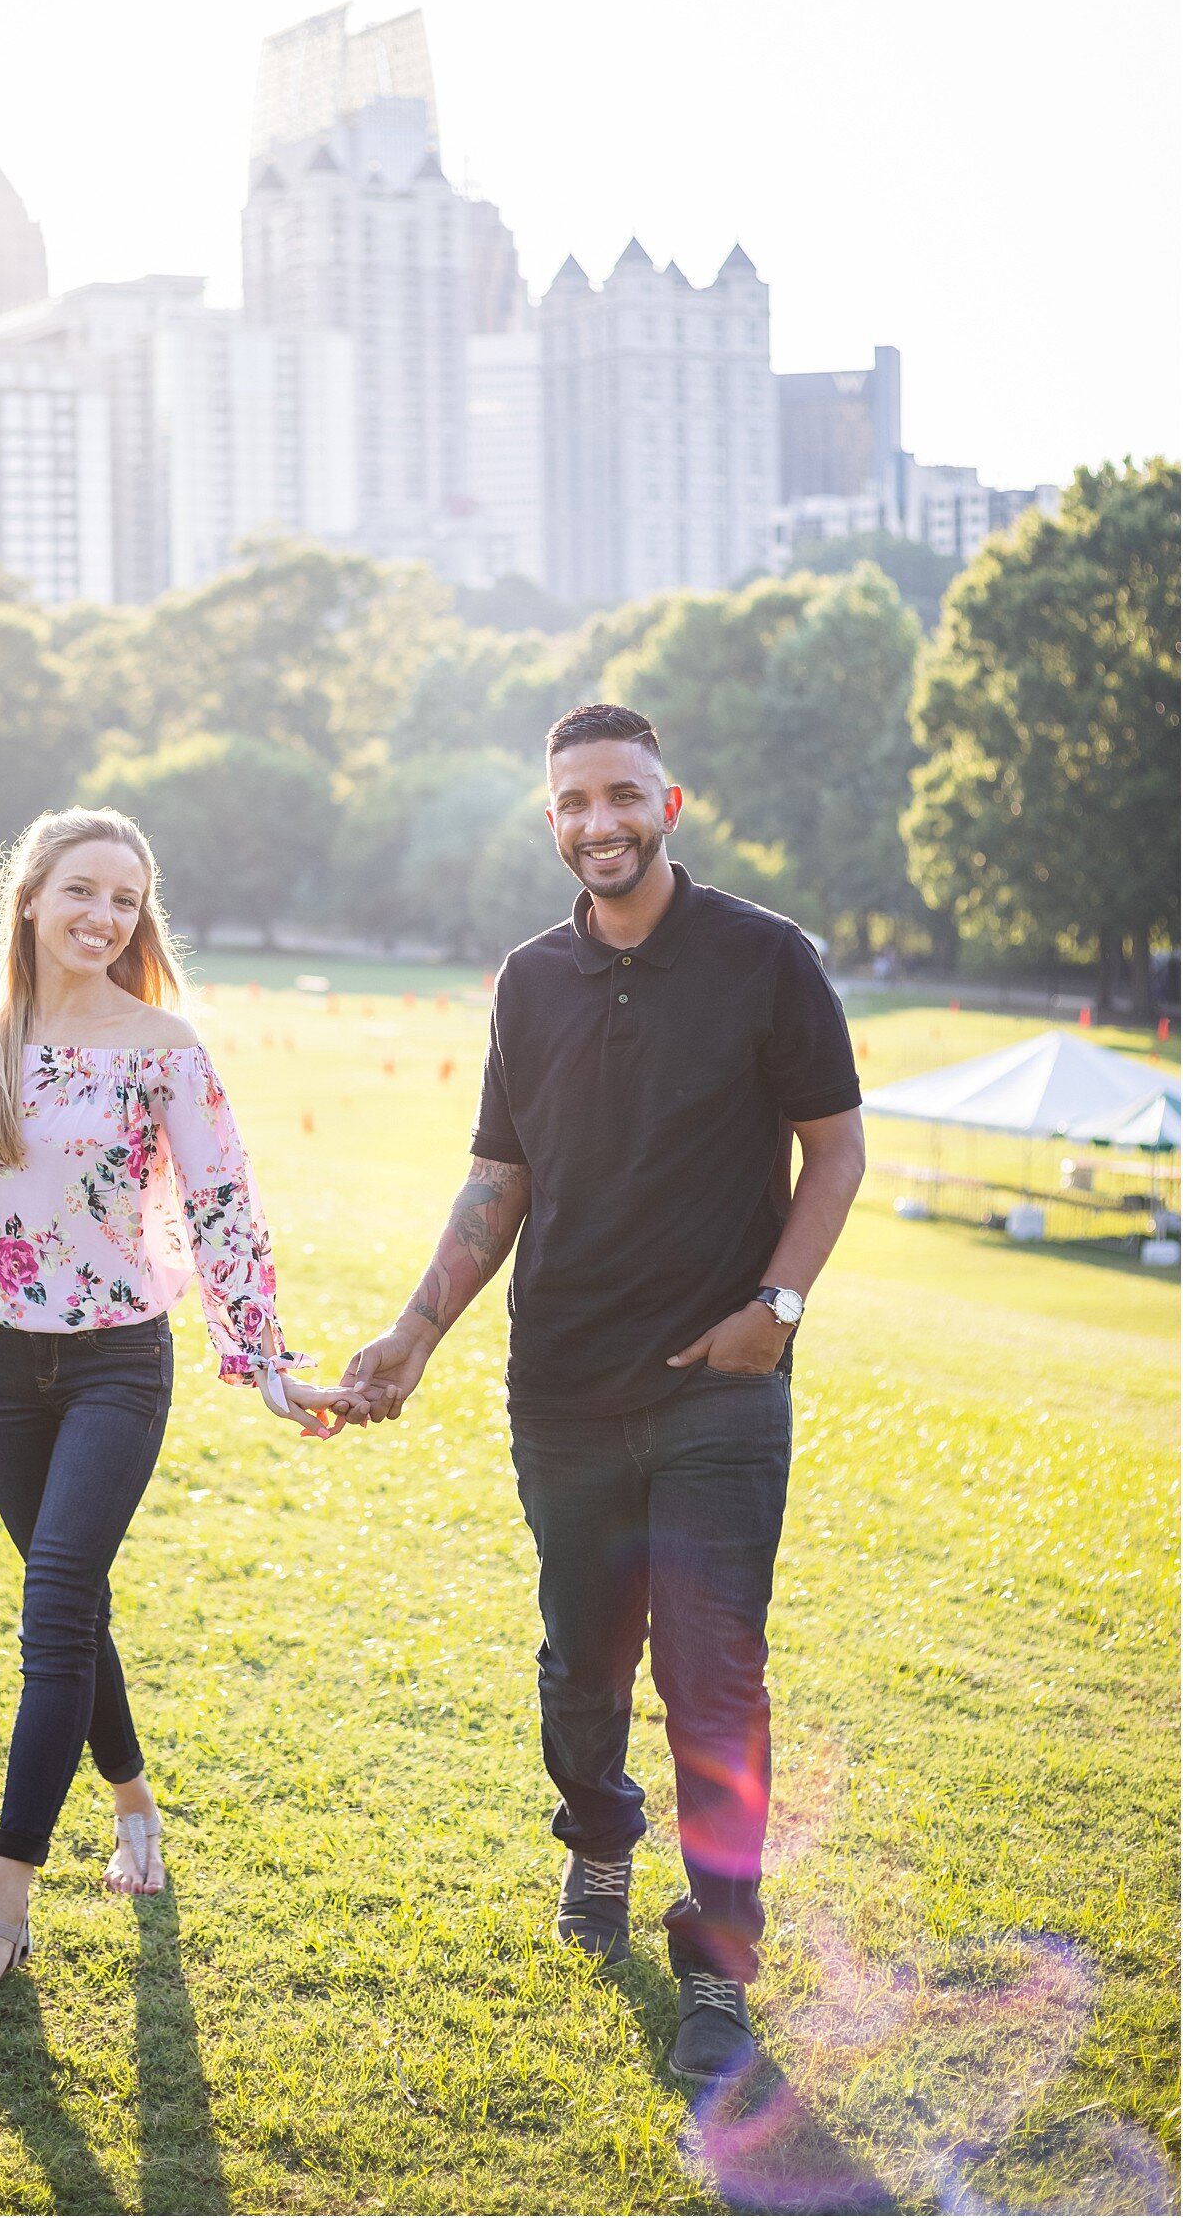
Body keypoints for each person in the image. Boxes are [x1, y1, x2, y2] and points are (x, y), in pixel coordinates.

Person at [340, 705, 865, 2083]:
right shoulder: (529, 979)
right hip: (561, 1388)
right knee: (582, 1673)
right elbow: (499, 1176)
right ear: (553, 819)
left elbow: (838, 1151)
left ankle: (720, 1967)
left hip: (719, 1390)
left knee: (714, 1675)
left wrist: (777, 1310)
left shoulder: (766, 959)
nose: (600, 821)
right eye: (574, 802)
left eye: (623, 794)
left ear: (670, 802)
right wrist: (414, 1329)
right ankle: (598, 1841)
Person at [0, 806, 359, 2000]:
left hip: (114, 1362)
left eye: (127, 899)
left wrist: (265, 1364)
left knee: (52, 1601)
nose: (105, 917)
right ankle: (136, 1809)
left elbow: (223, 1212)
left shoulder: (165, 1047)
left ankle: (3, 1905)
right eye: (83, 892)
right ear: (31, 897)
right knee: (72, 1601)